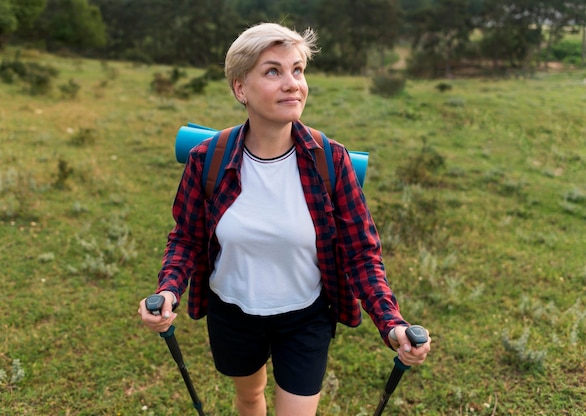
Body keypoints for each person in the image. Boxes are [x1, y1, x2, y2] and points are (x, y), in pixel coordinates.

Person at [138, 22, 431, 416]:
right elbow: (187, 238)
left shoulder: (331, 161)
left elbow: (361, 254)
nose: (292, 83)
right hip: (233, 312)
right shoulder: (207, 159)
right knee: (249, 398)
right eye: (273, 71)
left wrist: (392, 323)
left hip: (305, 316)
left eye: (298, 70)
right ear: (240, 88)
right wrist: (169, 290)